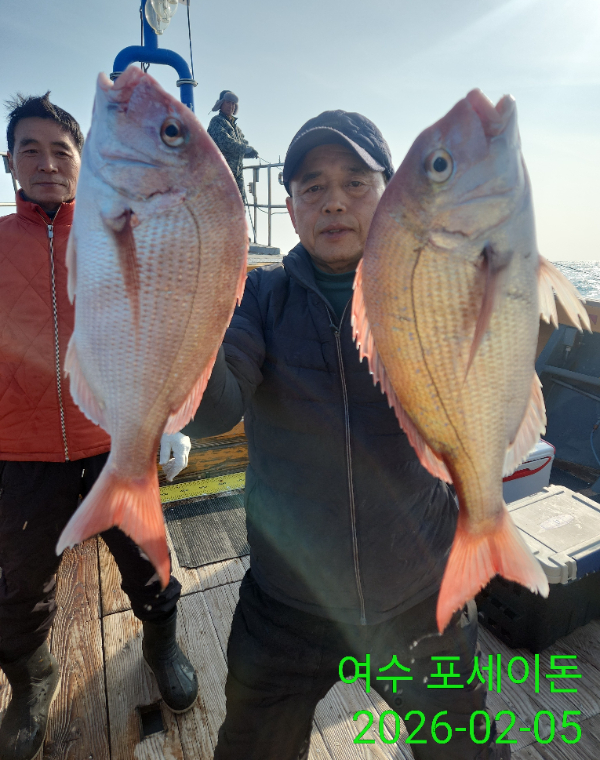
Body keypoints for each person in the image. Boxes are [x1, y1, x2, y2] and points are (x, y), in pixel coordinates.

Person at [183, 110, 510, 760]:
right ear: (291, 209)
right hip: (288, 602)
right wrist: (180, 326)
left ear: (391, 199)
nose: (333, 201)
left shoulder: (427, 288)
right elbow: (212, 411)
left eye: (356, 182)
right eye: (313, 187)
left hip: (420, 596)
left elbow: (489, 383)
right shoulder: (259, 297)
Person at [0, 93, 197, 760]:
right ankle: (32, 681)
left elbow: (165, 323)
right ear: (10, 163)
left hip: (116, 442)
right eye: (30, 150)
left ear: (84, 163)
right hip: (20, 452)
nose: (47, 163)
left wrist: (169, 418)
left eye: (62, 151)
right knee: (20, 584)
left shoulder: (124, 235)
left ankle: (162, 644)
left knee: (148, 563)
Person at [207, 90, 258, 203]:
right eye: (228, 102)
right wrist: (245, 149)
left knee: (240, 206)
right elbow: (225, 142)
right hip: (221, 174)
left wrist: (250, 152)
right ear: (221, 103)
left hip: (237, 175)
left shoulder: (236, 128)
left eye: (233, 104)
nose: (231, 106)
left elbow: (241, 145)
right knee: (224, 207)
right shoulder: (216, 121)